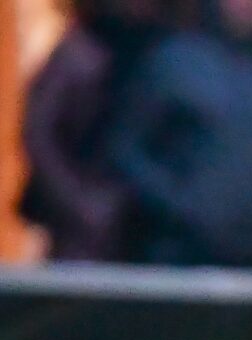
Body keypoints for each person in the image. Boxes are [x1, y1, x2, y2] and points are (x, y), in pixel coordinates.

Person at [106, 0, 252, 267]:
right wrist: (181, 207)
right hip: (182, 262)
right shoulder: (174, 62)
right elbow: (127, 150)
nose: (248, 7)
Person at [19, 0, 166, 262]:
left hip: (142, 222)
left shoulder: (159, 49)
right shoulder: (81, 53)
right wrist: (80, 201)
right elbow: (39, 134)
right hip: (84, 229)